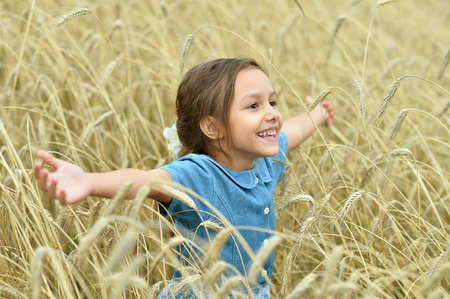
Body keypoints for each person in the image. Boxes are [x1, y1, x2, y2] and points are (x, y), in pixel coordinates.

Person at [34, 58, 334, 298]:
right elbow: (145, 180)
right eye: (253, 105)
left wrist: (318, 114)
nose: (272, 113)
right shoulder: (198, 175)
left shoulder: (264, 162)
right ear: (212, 127)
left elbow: (290, 132)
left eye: (273, 102)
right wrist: (90, 182)